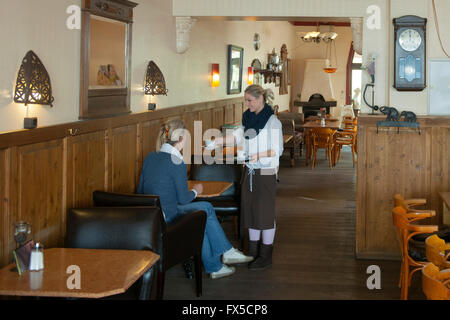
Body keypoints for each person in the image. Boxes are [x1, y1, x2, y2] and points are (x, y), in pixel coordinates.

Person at [138, 119, 253, 279]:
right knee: (204, 210)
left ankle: (218, 265)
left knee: (202, 215)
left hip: (150, 215)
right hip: (168, 217)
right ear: (181, 139)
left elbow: (140, 190)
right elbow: (184, 200)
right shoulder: (176, 161)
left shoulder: (150, 157)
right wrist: (195, 190)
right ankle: (224, 254)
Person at [213, 84, 283, 270]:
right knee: (251, 211)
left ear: (260, 99)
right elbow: (236, 137)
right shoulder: (248, 119)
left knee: (265, 214)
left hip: (266, 171)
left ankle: (265, 255)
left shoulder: (273, 122)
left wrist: (258, 156)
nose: (247, 104)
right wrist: (217, 141)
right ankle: (252, 251)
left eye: (249, 100)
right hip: (250, 171)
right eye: (246, 100)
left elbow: (277, 150)